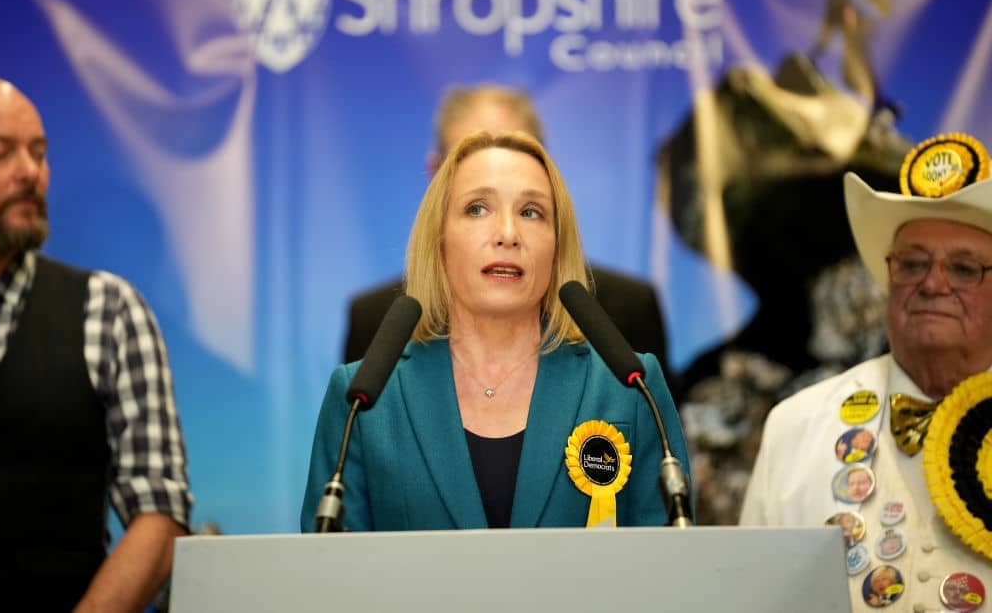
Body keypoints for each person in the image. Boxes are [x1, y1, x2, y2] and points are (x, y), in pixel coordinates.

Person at [302, 130, 688, 531]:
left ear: (557, 246)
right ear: (439, 239)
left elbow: (669, 560)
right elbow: (331, 563)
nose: (507, 234)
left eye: (531, 212)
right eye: (477, 209)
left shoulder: (630, 390)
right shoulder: (365, 403)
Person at [740, 133, 992, 611]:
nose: (932, 283)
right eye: (912, 264)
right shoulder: (796, 425)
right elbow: (749, 597)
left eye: (964, 269)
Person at [0, 78, 192, 610]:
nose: (30, 171)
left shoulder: (107, 310)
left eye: (39, 152)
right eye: (0, 152)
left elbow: (159, 516)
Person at [343, 83, 678, 399]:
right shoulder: (376, 324)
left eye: (516, 150)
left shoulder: (628, 313)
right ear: (434, 174)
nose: (506, 232)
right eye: (477, 207)